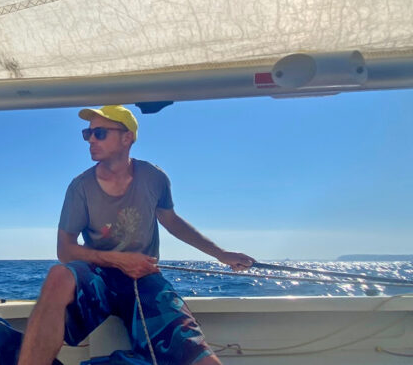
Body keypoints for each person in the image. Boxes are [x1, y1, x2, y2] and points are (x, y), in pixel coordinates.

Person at [17, 105, 254, 365]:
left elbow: (171, 221)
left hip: (144, 277)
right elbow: (65, 250)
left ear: (127, 137)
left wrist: (221, 254)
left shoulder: (154, 178)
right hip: (98, 276)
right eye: (87, 134)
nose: (90, 140)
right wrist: (119, 260)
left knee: (196, 354)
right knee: (58, 275)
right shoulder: (80, 187)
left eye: (99, 133)